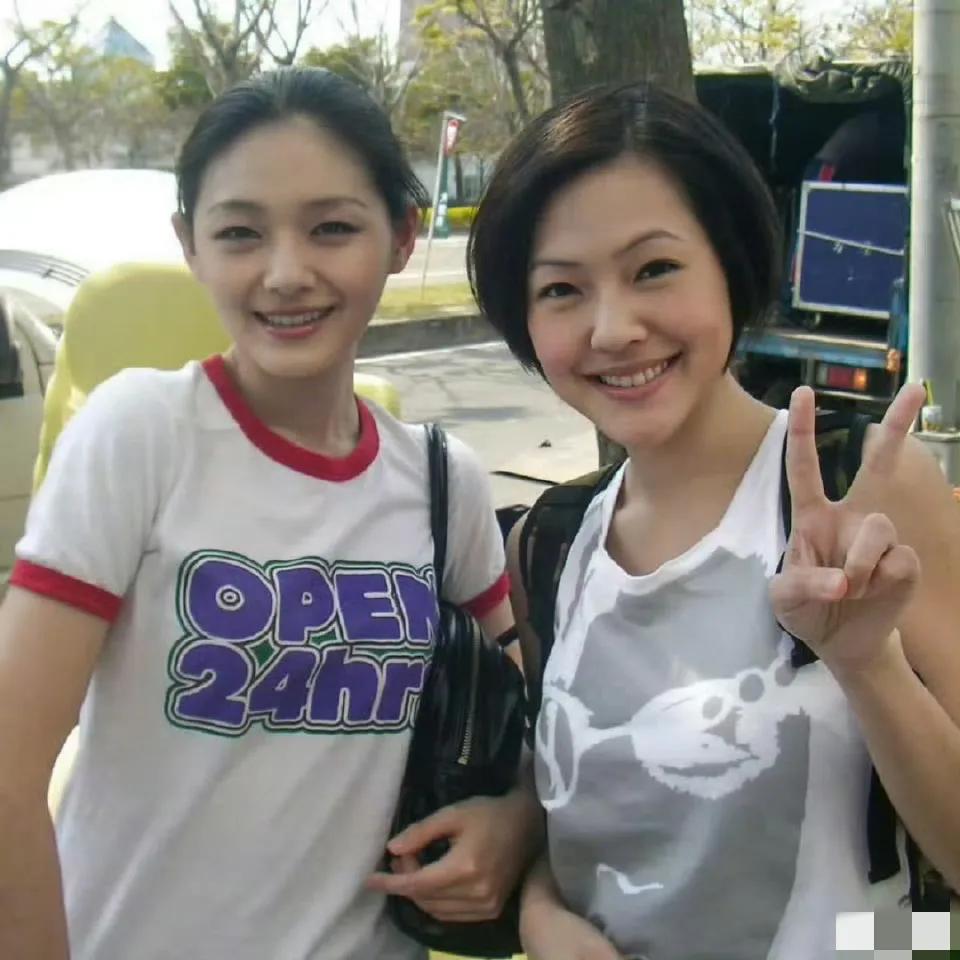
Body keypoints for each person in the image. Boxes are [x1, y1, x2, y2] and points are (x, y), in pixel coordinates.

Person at [0, 67, 541, 960]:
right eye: (240, 233)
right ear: (190, 245)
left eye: (332, 228)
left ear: (402, 237)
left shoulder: (444, 483)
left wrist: (518, 820)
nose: (286, 274)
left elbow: (539, 726)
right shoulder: (143, 436)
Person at [467, 82, 960, 960]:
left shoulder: (860, 492)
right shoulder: (550, 542)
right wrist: (540, 913)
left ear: (730, 263)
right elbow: (577, 813)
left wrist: (868, 664)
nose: (614, 329)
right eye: (562, 289)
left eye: (654, 269)